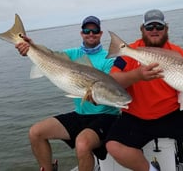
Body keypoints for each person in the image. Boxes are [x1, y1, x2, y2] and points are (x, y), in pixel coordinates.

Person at [105, 9, 183, 171]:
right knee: (113, 146)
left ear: (166, 29)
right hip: (136, 117)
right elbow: (110, 82)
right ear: (142, 29)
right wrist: (137, 75)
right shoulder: (129, 52)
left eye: (159, 26)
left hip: (172, 113)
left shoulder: (178, 54)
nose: (154, 30)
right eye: (149, 27)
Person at [16, 16, 120, 171]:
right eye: (87, 30)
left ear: (101, 33)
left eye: (95, 30)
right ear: (81, 33)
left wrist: (96, 96)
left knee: (82, 144)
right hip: (80, 114)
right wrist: (30, 47)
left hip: (106, 115)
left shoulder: (109, 59)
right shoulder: (71, 54)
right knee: (35, 133)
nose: (91, 33)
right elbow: (49, 55)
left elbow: (110, 90)